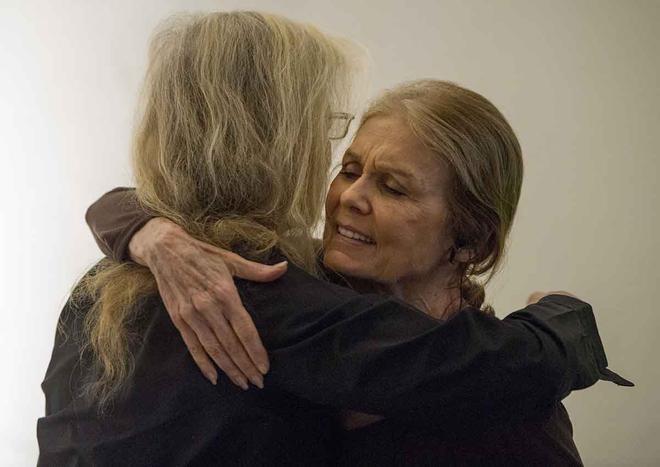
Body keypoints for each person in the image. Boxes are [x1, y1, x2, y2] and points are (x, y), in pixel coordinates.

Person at [39, 11, 629, 467]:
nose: (349, 196)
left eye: (394, 187)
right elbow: (500, 367)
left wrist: (139, 228)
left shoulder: (105, 282)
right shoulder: (260, 286)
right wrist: (563, 320)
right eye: (346, 165)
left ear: (469, 239)